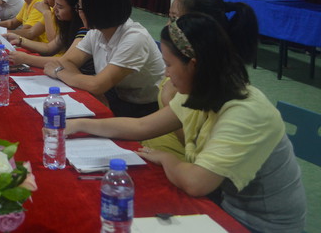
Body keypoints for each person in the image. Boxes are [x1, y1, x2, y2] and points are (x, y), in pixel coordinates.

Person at [66, 13, 306, 232]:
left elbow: (195, 183)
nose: (166, 73)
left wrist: (166, 158)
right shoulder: (203, 89)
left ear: (193, 64)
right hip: (225, 205)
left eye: (169, 65)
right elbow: (142, 126)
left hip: (259, 225)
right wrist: (81, 125)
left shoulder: (246, 112)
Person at [143, 0, 260, 158]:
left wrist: (167, 99)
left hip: (180, 159)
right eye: (169, 17)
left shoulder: (214, 82)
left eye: (175, 18)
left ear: (198, 24)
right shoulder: (184, 63)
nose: (168, 25)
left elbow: (198, 149)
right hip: (156, 146)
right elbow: (143, 126)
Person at [43, 0, 164, 117]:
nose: (78, 12)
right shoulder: (97, 32)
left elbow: (97, 85)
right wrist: (92, 88)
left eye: (80, 8)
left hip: (146, 108)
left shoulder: (135, 38)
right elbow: (68, 61)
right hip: (117, 96)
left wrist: (59, 72)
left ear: (97, 11)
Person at [6, 0, 94, 73]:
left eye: (60, 6)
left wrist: (26, 59)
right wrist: (19, 40)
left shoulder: (86, 29)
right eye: (55, 3)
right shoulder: (68, 24)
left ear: (76, 8)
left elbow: (66, 61)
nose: (54, 8)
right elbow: (49, 47)